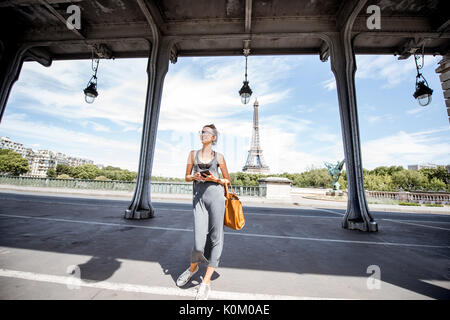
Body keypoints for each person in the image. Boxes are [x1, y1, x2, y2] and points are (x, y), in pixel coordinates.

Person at [176, 124, 231, 300]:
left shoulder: (219, 157)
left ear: (213, 137)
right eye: (201, 132)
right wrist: (194, 176)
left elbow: (227, 180)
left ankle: (206, 282)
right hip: (198, 199)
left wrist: (216, 179)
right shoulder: (192, 154)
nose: (202, 134)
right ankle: (193, 268)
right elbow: (186, 176)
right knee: (199, 242)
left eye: (206, 132)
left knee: (216, 238)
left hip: (216, 198)